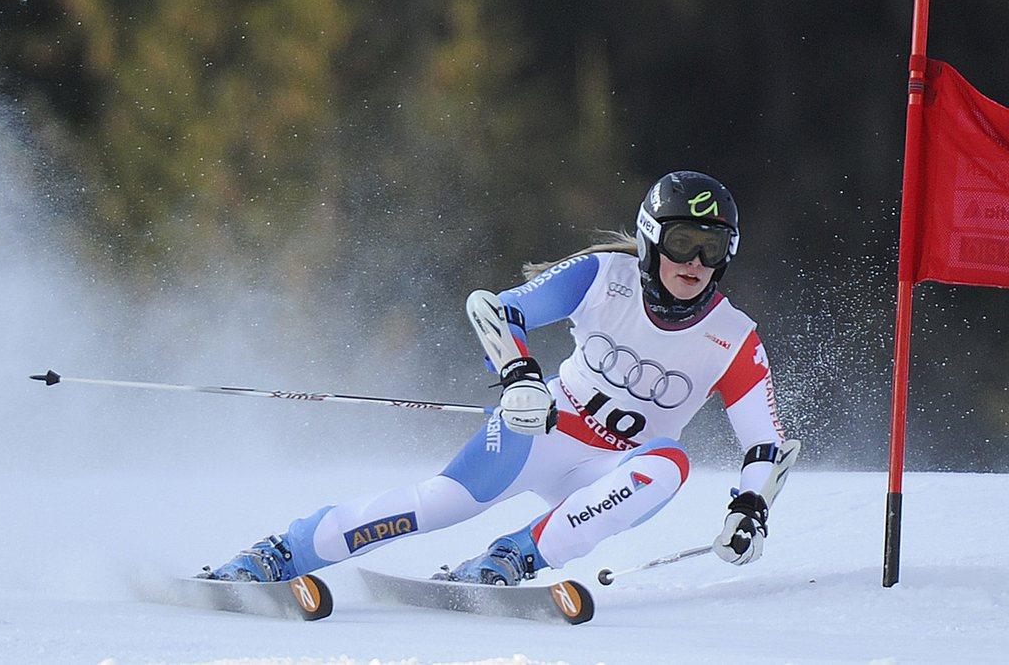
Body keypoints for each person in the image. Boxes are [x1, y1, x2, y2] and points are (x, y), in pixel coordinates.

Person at [202, 170, 788, 585]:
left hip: (606, 473)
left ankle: (514, 558)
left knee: (668, 464)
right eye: (683, 242)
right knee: (440, 504)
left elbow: (765, 441)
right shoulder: (604, 276)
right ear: (652, 241)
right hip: (539, 429)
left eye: (712, 248)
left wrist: (750, 509)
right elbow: (494, 308)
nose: (695, 264)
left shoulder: (733, 337)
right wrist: (520, 380)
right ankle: (281, 553)